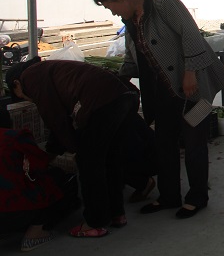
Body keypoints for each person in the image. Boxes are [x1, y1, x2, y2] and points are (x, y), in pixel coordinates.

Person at [94, 0, 224, 219]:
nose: (112, 13)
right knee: (164, 141)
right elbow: (133, 54)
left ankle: (197, 197)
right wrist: (119, 78)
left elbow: (191, 35)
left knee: (194, 140)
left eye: (109, 6)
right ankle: (169, 196)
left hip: (195, 87)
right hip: (161, 90)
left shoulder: (163, 3)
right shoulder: (131, 19)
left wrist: (190, 72)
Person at [5, 58, 140, 237]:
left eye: (21, 96)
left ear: (16, 84)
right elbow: (61, 116)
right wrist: (57, 149)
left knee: (89, 163)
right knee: (110, 158)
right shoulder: (45, 69)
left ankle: (94, 222)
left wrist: (69, 149)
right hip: (124, 96)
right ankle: (117, 214)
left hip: (102, 101)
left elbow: (55, 117)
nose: (27, 98)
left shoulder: (29, 77)